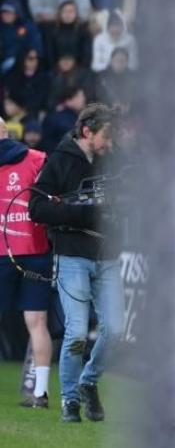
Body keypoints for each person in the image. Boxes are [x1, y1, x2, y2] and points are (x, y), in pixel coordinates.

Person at [29, 103, 124, 423]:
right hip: (71, 255)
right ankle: (70, 400)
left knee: (116, 329)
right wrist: (83, 211)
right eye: (106, 135)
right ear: (87, 132)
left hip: (107, 254)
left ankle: (88, 381)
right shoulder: (59, 159)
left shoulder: (112, 160)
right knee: (77, 332)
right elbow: (36, 208)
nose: (111, 142)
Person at [0, 118, 53, 408]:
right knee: (37, 322)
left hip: (1, 249)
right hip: (35, 249)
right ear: (7, 132)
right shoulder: (36, 158)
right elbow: (50, 199)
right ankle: (40, 393)